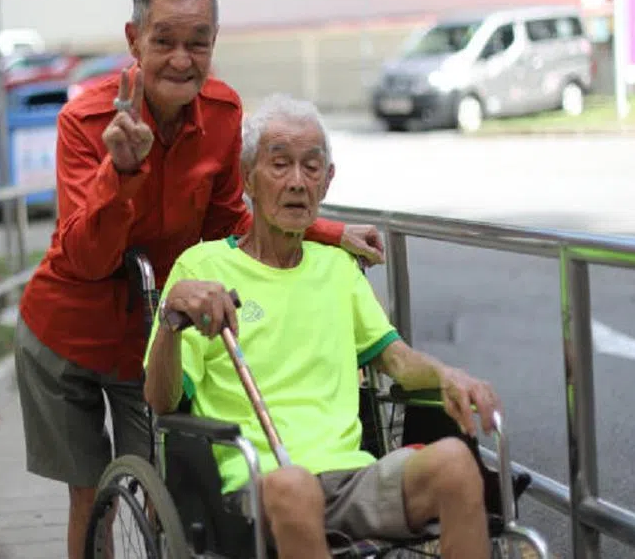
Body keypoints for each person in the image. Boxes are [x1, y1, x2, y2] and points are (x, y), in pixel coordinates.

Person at [15, 0, 387, 559]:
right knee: (90, 497)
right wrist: (121, 172)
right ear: (134, 39)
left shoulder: (222, 112)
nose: (182, 59)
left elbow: (230, 219)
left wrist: (327, 231)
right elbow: (86, 256)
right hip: (68, 330)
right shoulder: (85, 122)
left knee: (160, 488)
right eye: (164, 41)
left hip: (155, 333)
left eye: (199, 42)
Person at [144, 93, 503, 559]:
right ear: (247, 177)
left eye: (311, 167)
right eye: (279, 164)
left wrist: (446, 375)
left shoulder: (338, 269)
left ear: (327, 181)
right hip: (259, 487)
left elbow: (397, 360)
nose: (297, 182)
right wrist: (172, 321)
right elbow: (160, 400)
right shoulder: (202, 267)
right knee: (295, 488)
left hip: (353, 477)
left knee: (456, 463)